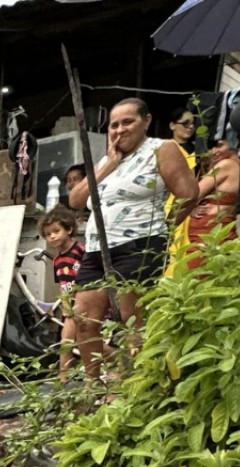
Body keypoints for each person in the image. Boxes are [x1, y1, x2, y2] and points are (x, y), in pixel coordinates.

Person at [66, 97, 199, 372]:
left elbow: (188, 194)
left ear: (146, 121)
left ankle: (138, 388)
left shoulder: (162, 149)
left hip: (138, 245)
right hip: (95, 250)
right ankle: (93, 387)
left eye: (128, 122)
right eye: (114, 125)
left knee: (132, 322)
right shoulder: (107, 159)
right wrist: (109, 164)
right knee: (83, 319)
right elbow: (76, 201)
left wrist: (163, 229)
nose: (120, 130)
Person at [181, 136, 240, 272]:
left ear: (234, 143)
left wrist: (190, 208)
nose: (213, 151)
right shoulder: (238, 166)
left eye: (219, 145)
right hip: (214, 234)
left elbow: (192, 194)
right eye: (210, 148)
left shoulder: (226, 164)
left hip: (209, 236)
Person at [38, 207, 86, 374]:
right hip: (70, 308)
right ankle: (64, 380)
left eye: (56, 231)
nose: (52, 236)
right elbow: (63, 286)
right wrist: (66, 307)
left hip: (85, 303)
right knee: (69, 343)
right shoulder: (57, 260)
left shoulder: (81, 250)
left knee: (76, 343)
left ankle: (118, 363)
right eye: (48, 234)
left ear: (69, 229)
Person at [165, 107, 199, 269]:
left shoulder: (198, 150)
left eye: (193, 123)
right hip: (171, 206)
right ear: (172, 125)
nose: (190, 127)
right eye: (185, 123)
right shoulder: (166, 149)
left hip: (192, 206)